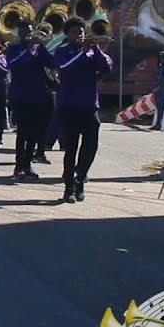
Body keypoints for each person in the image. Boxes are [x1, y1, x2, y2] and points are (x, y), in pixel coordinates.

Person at [54, 18, 113, 203]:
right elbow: (63, 68)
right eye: (74, 32)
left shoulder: (92, 52)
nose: (78, 35)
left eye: (80, 32)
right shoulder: (62, 51)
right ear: (67, 34)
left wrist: (96, 50)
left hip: (89, 106)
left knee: (90, 147)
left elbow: (107, 67)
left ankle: (80, 178)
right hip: (68, 106)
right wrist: (82, 52)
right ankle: (69, 187)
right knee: (70, 148)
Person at [5, 22, 55, 180]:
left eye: (30, 31)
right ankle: (19, 165)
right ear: (19, 33)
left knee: (34, 132)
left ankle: (27, 165)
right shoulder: (13, 48)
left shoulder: (39, 48)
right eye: (24, 31)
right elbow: (12, 65)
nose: (28, 34)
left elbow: (52, 63)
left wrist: (41, 46)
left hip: (38, 95)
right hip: (20, 96)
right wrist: (28, 51)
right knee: (22, 132)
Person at [150, 51, 164, 131]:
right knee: (158, 107)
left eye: (162, 58)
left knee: (162, 107)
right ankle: (158, 123)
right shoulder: (159, 66)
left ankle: (162, 124)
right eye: (160, 58)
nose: (161, 59)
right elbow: (156, 77)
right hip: (157, 88)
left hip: (163, 88)